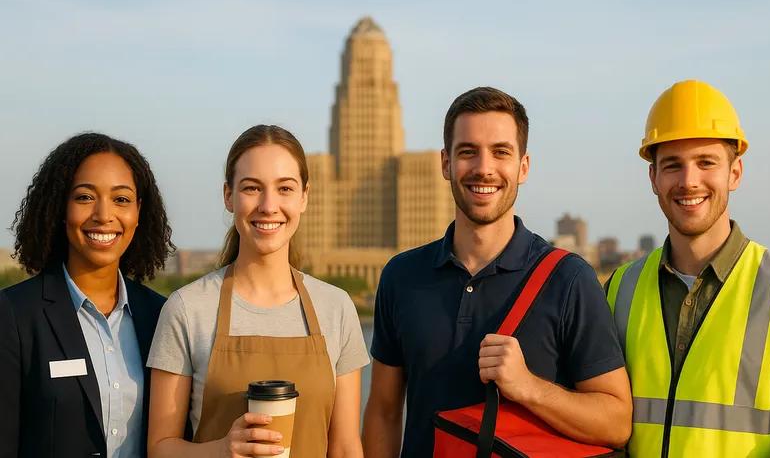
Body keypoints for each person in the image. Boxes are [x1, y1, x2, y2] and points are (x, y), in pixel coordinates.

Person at [362, 86, 633, 457]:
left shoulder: (569, 279)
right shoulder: (401, 276)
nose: (483, 168)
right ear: (446, 163)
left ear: (523, 167)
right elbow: (384, 411)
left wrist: (528, 387)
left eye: (500, 152)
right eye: (468, 152)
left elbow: (617, 424)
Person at [605, 79, 770, 457]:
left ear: (734, 173)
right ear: (653, 178)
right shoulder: (620, 288)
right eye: (672, 165)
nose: (689, 181)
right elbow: (601, 423)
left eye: (706, 162)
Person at [147, 124, 370, 458]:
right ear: (228, 195)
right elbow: (160, 448)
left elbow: (346, 447)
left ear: (304, 196)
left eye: (285, 189)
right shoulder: (186, 309)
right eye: (252, 188)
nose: (269, 206)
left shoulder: (336, 308)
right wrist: (222, 450)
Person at [0, 132, 176, 457]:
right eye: (84, 197)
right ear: (60, 207)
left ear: (139, 212)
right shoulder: (13, 314)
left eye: (121, 199)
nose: (103, 215)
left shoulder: (162, 316)